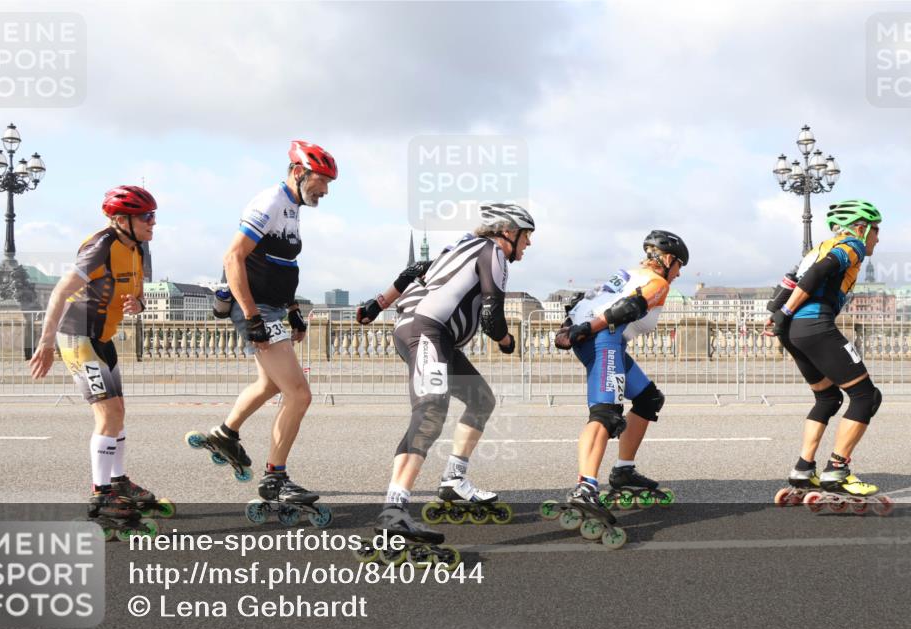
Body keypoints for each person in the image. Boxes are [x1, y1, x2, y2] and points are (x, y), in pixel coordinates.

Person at [366, 203, 533, 555]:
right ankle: (394, 509)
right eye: (526, 236)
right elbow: (492, 316)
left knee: (480, 399)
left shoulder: (458, 246)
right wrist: (507, 342)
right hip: (428, 331)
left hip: (427, 331)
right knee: (430, 412)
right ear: (508, 232)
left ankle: (454, 480)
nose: (528, 245)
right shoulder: (493, 253)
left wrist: (376, 304)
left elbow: (413, 270)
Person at [184, 140, 335, 525]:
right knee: (299, 393)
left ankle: (224, 433)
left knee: (270, 385)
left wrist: (294, 309)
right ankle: (275, 478)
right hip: (254, 308)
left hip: (271, 307)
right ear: (299, 173)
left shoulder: (292, 208)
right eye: (322, 180)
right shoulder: (269, 201)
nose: (326, 190)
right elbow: (233, 256)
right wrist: (251, 314)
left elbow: (280, 266)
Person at [29, 185, 169, 538]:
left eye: (154, 215)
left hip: (103, 338)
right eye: (147, 217)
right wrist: (45, 343)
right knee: (108, 415)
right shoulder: (100, 247)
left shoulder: (140, 249)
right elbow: (61, 291)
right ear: (122, 220)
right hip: (77, 336)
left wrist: (138, 305)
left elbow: (137, 297)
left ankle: (118, 482)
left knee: (119, 410)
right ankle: (100, 498)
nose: (154, 223)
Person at [549, 230, 688, 544]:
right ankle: (586, 487)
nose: (679, 273)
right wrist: (586, 329)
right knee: (606, 414)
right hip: (605, 340)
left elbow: (579, 302)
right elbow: (627, 308)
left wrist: (568, 329)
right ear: (667, 260)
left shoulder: (623, 274)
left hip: (597, 338)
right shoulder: (658, 282)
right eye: (679, 265)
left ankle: (623, 470)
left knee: (648, 398)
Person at [765, 200, 891, 513]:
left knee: (828, 399)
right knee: (866, 396)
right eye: (875, 230)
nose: (877, 237)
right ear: (861, 228)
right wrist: (785, 311)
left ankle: (803, 470)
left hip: (794, 331)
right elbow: (820, 273)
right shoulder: (852, 245)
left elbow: (790, 279)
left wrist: (776, 315)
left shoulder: (818, 246)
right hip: (815, 325)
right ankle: (837, 470)